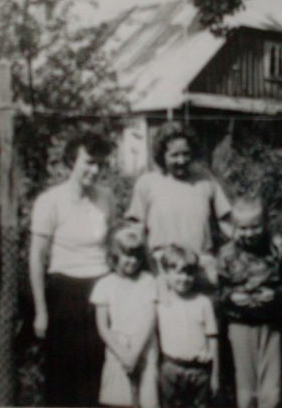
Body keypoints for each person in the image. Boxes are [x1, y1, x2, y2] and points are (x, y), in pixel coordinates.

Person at [29, 130, 114, 407]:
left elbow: (113, 245)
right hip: (64, 294)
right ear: (70, 161)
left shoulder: (106, 198)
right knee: (62, 377)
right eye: (89, 162)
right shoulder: (50, 201)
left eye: (100, 164)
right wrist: (41, 311)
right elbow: (36, 258)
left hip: (100, 292)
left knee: (97, 374)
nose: (95, 170)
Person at [125, 122, 231, 281]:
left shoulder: (206, 181)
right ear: (162, 155)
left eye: (186, 154)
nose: (181, 160)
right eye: (174, 155)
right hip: (163, 269)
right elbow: (135, 229)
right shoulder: (147, 183)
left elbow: (228, 222)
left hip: (201, 267)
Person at [216, 198, 282, 408]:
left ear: (265, 224)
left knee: (271, 393)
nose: (249, 233)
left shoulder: (277, 250)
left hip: (271, 325)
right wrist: (231, 297)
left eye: (255, 226)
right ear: (234, 227)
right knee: (246, 391)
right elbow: (219, 293)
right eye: (243, 228)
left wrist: (276, 295)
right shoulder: (226, 255)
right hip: (240, 325)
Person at [90, 224, 159, 408]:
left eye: (137, 256)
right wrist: (123, 354)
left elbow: (150, 320)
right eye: (127, 255)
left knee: (147, 400)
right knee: (121, 401)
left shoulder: (147, 281)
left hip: (144, 349)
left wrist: (135, 353)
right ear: (115, 255)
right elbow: (103, 327)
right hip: (118, 350)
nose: (133, 261)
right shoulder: (104, 284)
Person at [156, 244, 219, 408]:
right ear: (167, 274)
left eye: (189, 273)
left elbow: (212, 339)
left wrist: (215, 375)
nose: (184, 278)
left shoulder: (203, 302)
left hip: (199, 370)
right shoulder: (162, 302)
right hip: (171, 368)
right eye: (178, 272)